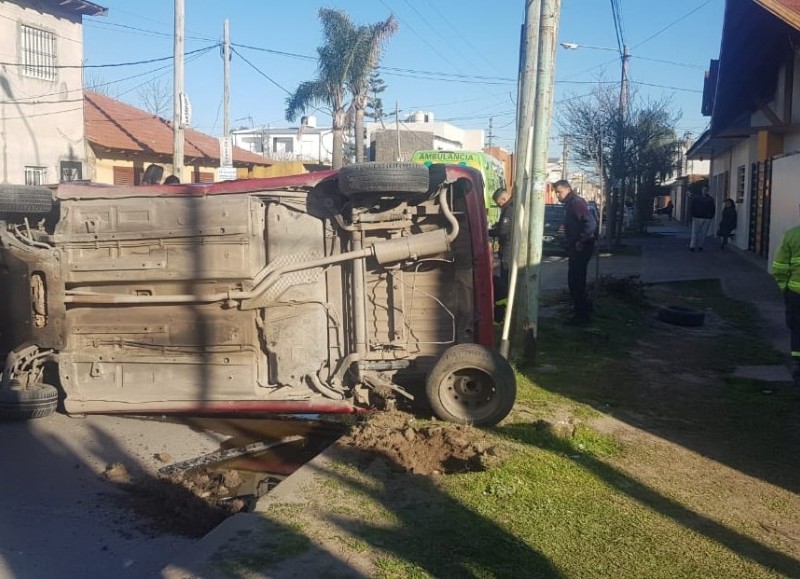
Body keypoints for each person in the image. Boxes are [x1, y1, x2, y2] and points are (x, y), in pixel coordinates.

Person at [554, 179, 597, 325]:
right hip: (575, 248)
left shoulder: (576, 203)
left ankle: (581, 315)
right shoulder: (570, 204)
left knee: (576, 281)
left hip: (581, 249)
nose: (557, 195)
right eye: (555, 192)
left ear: (567, 189)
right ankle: (581, 309)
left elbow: (590, 224)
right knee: (575, 281)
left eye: (559, 192)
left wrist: (580, 240)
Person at [772, 224, 800, 387]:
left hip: (796, 292)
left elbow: (779, 267)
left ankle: (798, 366)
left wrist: (784, 287)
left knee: (797, 327)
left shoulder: (791, 235)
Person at [488, 189, 513, 323]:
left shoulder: (509, 210)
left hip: (508, 250)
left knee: (505, 282)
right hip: (508, 248)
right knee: (505, 281)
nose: (499, 206)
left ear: (503, 199)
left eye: (499, 204)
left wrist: (489, 232)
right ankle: (503, 315)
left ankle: (501, 316)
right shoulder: (511, 207)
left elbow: (503, 231)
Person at [689, 186, 715, 251]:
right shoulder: (696, 198)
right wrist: (693, 215)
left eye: (706, 190)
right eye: (704, 190)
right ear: (701, 190)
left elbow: (713, 208)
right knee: (695, 232)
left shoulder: (710, 199)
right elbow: (692, 206)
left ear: (707, 191)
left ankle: (700, 246)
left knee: (703, 233)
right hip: (697, 217)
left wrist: (711, 216)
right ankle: (692, 246)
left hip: (706, 218)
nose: (705, 191)